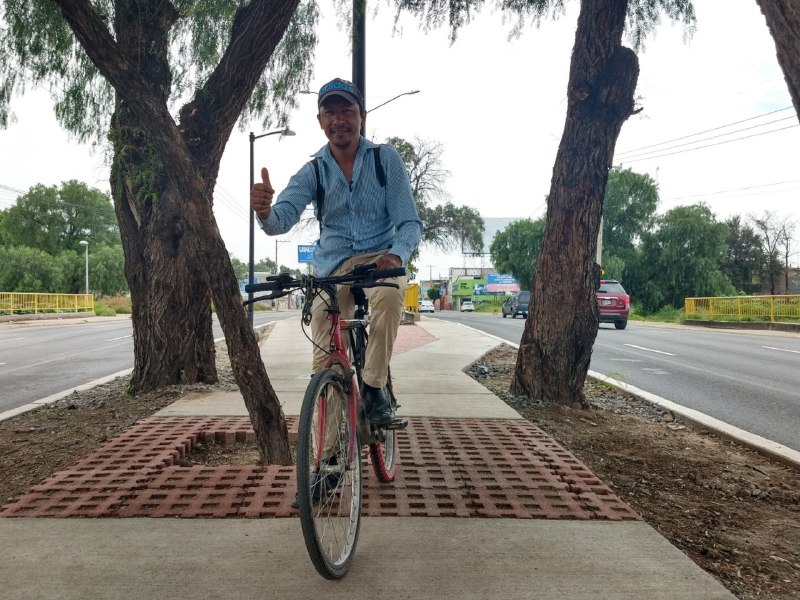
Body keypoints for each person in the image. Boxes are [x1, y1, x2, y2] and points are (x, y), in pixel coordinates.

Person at [250, 77, 423, 425]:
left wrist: (397, 254)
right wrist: (265, 212)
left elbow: (409, 223)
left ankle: (374, 389)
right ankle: (327, 458)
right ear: (320, 120)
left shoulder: (384, 159)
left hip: (379, 261)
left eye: (347, 110)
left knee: (390, 299)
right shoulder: (313, 170)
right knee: (325, 357)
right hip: (334, 265)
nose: (339, 119)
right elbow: (282, 219)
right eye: (330, 112)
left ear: (362, 116)